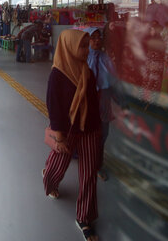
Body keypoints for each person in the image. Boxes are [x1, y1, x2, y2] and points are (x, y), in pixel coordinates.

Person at [42, 29, 101, 241]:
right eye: (82, 46)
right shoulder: (57, 75)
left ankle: (84, 218)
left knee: (89, 174)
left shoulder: (87, 72)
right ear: (69, 47)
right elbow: (54, 108)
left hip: (90, 129)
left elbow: (93, 103)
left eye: (87, 46)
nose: (87, 50)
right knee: (58, 166)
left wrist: (98, 129)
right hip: (66, 131)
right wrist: (59, 137)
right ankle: (49, 181)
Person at [84, 27, 115, 181]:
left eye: (99, 37)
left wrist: (121, 100)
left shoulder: (106, 58)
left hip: (103, 101)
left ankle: (98, 165)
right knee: (86, 132)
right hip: (87, 101)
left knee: (102, 134)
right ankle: (85, 159)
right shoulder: (82, 57)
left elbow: (113, 81)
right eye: (93, 37)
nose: (96, 40)